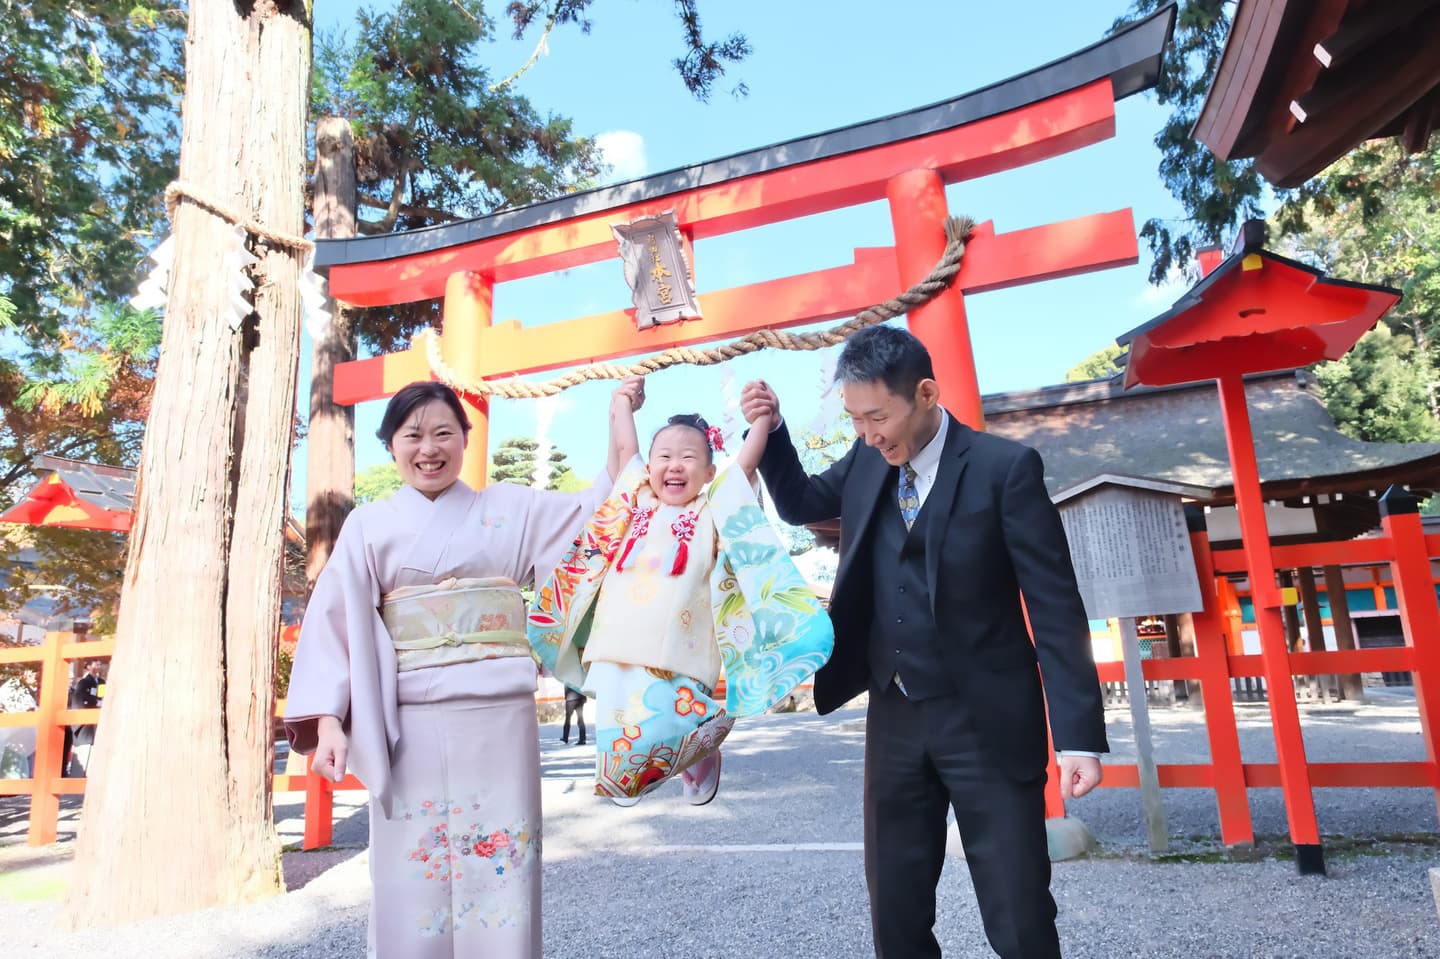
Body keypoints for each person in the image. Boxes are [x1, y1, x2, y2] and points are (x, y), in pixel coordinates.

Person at [740, 324, 1107, 959]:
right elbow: (800, 502)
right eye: (855, 419)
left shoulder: (1005, 469)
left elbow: (1054, 607)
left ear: (927, 393)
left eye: (877, 416)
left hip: (986, 719)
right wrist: (771, 431)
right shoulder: (865, 460)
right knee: (896, 906)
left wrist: (1077, 735)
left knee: (1019, 911)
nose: (866, 434)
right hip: (896, 714)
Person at [284, 377, 637, 959]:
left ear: (465, 439)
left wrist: (619, 417)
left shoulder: (512, 508)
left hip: (497, 715)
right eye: (413, 435)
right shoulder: (368, 526)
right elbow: (333, 624)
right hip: (406, 723)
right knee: (407, 870)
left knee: (501, 863)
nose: (429, 448)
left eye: (444, 432)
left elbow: (601, 514)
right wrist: (327, 720)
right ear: (391, 445)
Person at [528, 385, 833, 807]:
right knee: (619, 709)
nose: (674, 466)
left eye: (689, 458)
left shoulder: (713, 506)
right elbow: (625, 445)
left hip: (681, 639)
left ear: (709, 472)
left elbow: (747, 461)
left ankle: (700, 754)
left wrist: (761, 419)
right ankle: (625, 772)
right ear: (649, 466)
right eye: (664, 457)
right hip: (619, 635)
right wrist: (621, 404)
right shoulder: (635, 499)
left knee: (675, 712)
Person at [68, 660, 104, 775]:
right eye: (95, 663)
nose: (98, 666)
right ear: (88, 666)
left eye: (99, 664)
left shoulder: (101, 682)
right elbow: (78, 700)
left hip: (97, 720)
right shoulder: (84, 682)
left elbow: (102, 696)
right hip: (85, 723)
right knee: (84, 750)